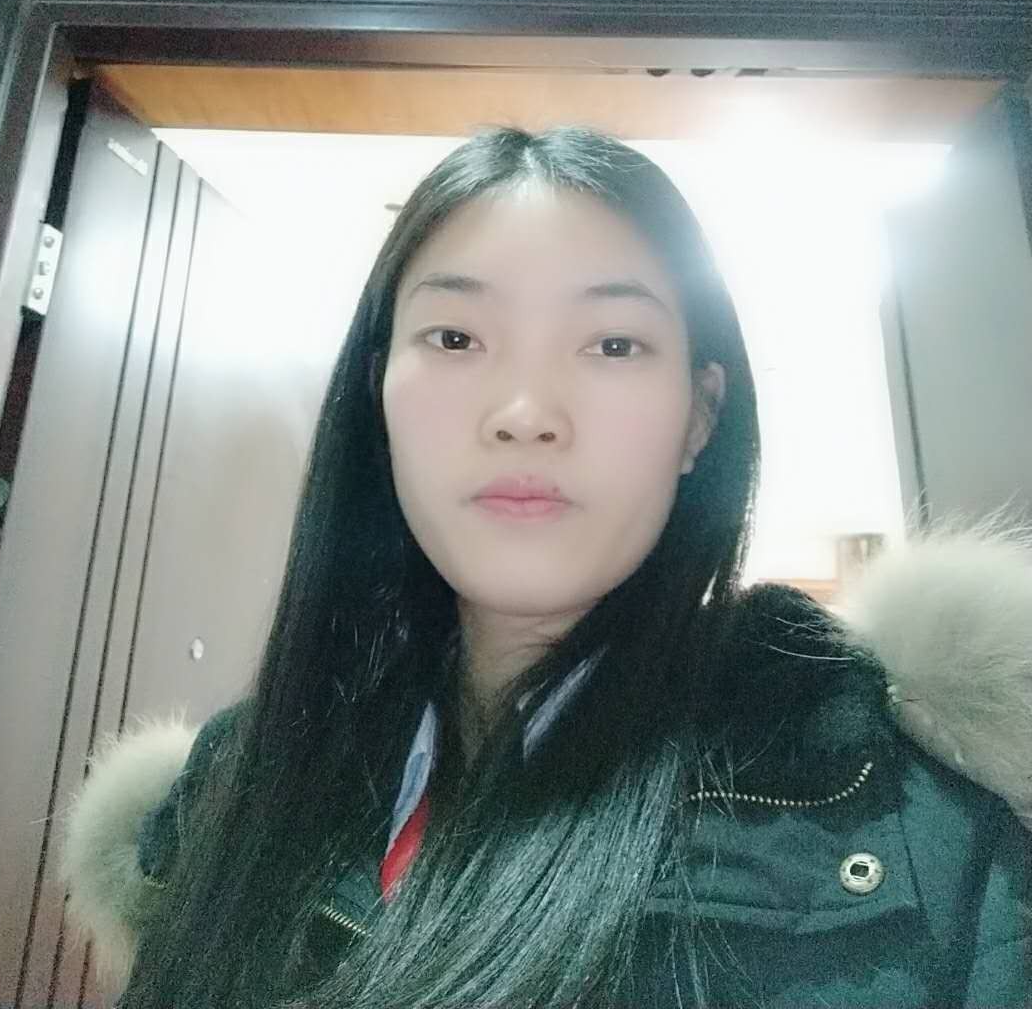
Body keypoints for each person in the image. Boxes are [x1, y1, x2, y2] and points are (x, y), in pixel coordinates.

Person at [59, 124, 1031, 1009]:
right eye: (455, 337)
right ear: (377, 391)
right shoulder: (239, 774)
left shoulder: (895, 807)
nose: (525, 412)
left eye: (613, 343)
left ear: (700, 415)